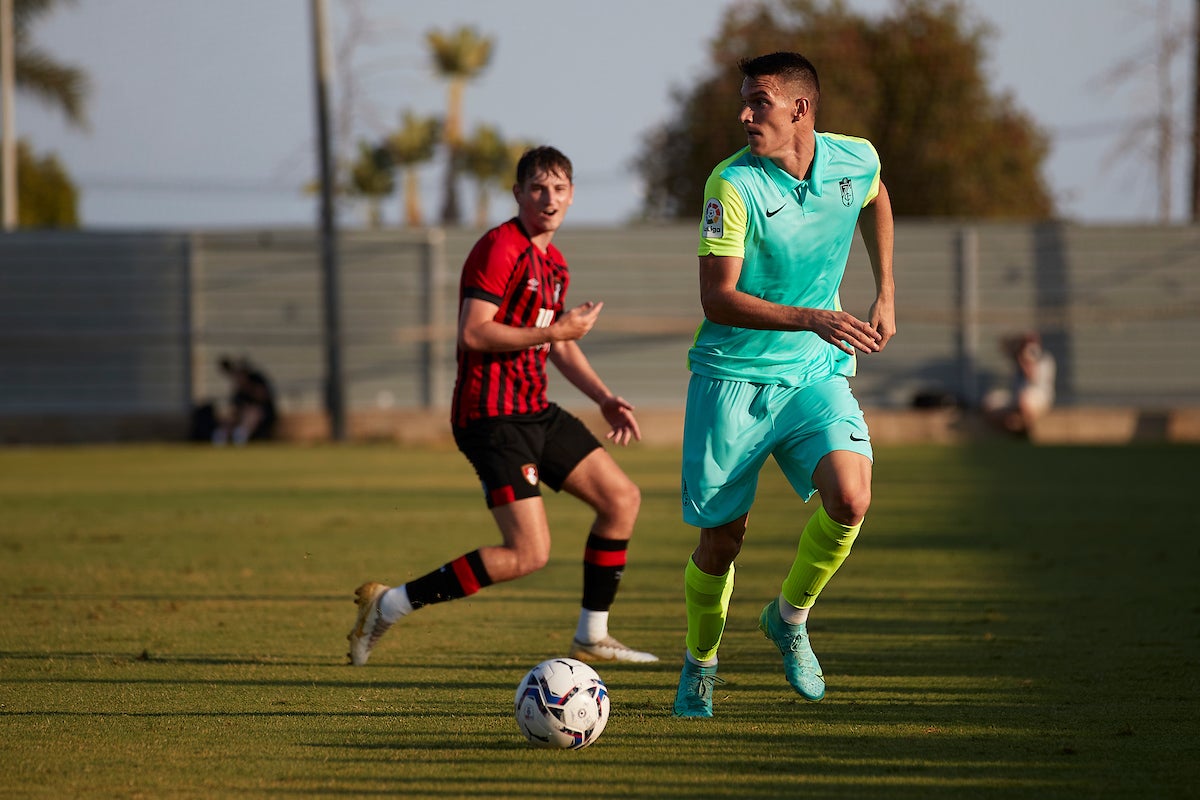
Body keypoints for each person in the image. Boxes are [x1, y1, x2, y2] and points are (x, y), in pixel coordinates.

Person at [347, 146, 658, 667]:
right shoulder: (500, 247)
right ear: (518, 194)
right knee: (527, 554)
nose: (549, 198)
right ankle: (390, 604)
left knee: (621, 499)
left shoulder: (553, 262)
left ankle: (592, 636)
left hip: (533, 408)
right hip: (490, 415)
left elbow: (556, 343)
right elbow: (474, 332)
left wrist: (603, 397)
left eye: (559, 188)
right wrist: (556, 328)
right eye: (538, 188)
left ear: (572, 195)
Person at [673, 52, 896, 717]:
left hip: (811, 373)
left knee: (851, 497)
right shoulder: (731, 186)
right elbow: (718, 298)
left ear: (801, 108)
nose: (745, 115)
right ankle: (700, 661)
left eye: (759, 102)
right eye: (743, 102)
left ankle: (789, 618)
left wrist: (885, 290)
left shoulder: (853, 159)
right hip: (731, 381)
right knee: (721, 543)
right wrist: (811, 316)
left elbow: (877, 195)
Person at [983, 331, 1056, 436]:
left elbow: (1032, 376)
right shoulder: (1019, 358)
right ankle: (1014, 426)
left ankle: (1023, 430)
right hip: (1016, 399)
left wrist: (1025, 361)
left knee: (1025, 399)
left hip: (1039, 398)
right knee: (990, 402)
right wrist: (1016, 349)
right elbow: (1004, 349)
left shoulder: (1044, 360)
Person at [212, 356, 277, 445]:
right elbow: (235, 406)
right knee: (231, 415)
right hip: (242, 416)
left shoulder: (256, 379)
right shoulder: (238, 389)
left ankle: (240, 436)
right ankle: (222, 436)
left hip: (264, 415)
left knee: (252, 413)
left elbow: (262, 396)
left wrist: (246, 386)